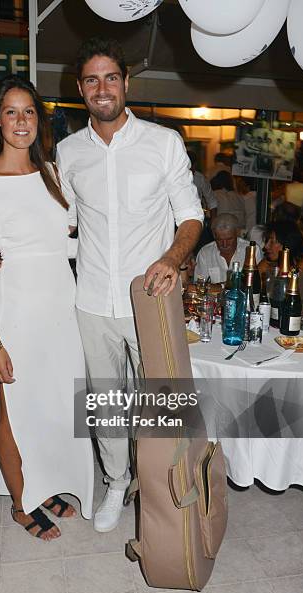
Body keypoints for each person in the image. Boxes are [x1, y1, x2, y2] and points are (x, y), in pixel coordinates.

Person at [56, 36, 203, 533]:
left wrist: (171, 258)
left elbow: (190, 218)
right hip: (92, 299)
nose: (103, 88)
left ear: (125, 83)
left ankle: (163, 485)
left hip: (151, 300)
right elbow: (69, 226)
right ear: (80, 89)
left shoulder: (163, 143)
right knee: (106, 402)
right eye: (92, 79)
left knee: (161, 402)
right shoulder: (67, 151)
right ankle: (116, 481)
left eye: (111, 77)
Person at [0, 75, 93, 540]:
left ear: (40, 119)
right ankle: (20, 504)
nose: (21, 121)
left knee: (55, 404)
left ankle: (43, 483)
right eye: (11, 111)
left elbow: (67, 245)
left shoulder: (53, 174)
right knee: (12, 408)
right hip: (16, 311)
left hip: (64, 307)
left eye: (29, 111)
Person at [194, 213, 262, 286]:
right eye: (220, 240)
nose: (225, 244)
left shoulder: (252, 250)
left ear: (237, 233)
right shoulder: (205, 253)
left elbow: (257, 284)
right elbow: (199, 285)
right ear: (214, 236)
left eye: (229, 239)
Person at [258, 220, 303, 288]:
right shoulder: (269, 261)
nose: (266, 246)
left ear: (287, 242)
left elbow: (289, 288)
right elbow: (254, 285)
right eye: (266, 241)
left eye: (272, 242)